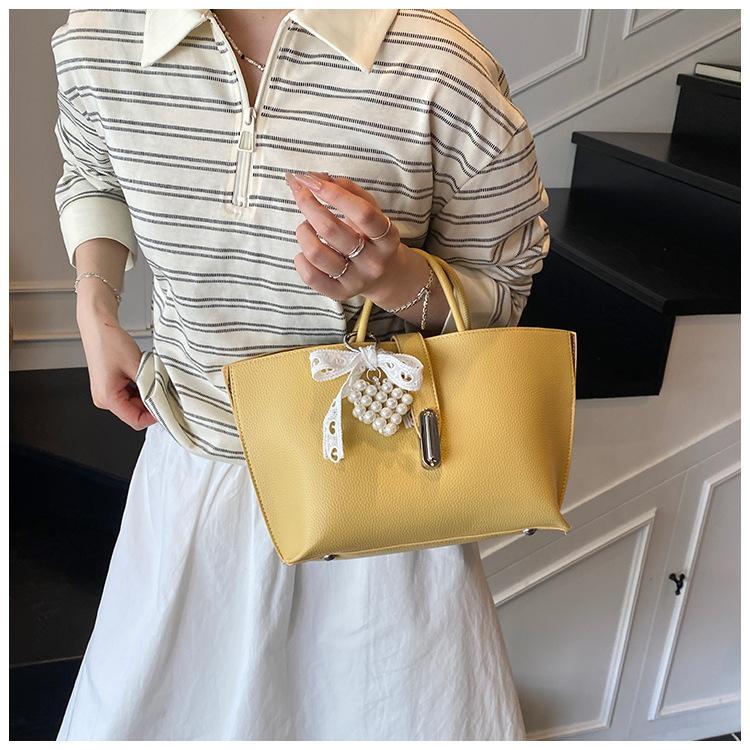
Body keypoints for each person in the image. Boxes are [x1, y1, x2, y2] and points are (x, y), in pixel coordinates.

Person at [51, 8, 550, 741]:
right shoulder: (102, 31)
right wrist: (95, 311)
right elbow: (94, 172)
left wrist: (396, 280)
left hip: (378, 504)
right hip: (189, 481)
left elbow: (503, 288)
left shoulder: (438, 64)